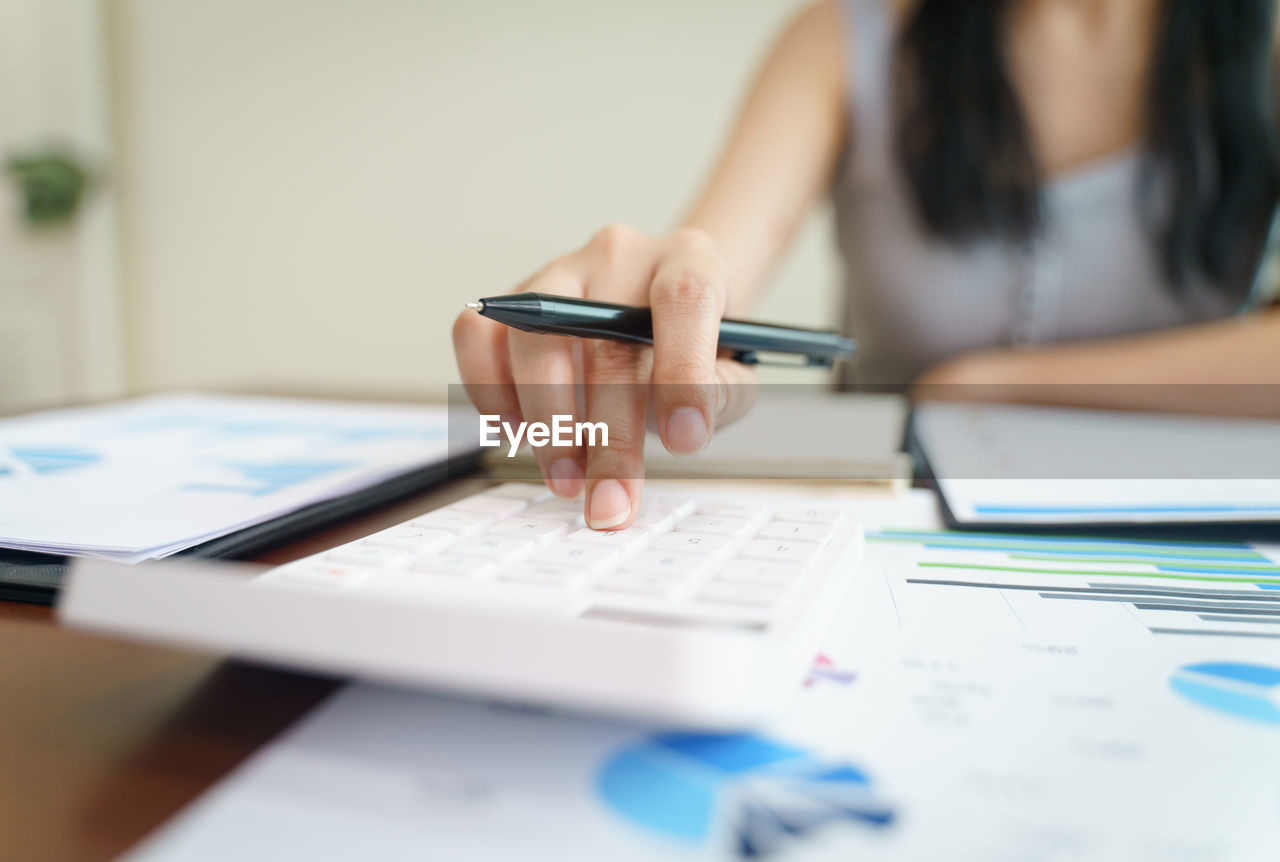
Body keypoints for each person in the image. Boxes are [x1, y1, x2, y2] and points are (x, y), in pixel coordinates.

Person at [453, 0, 1280, 530]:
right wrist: (669, 314)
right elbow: (711, 271)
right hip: (880, 519)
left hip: (1186, 519)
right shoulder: (846, 36)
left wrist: (989, 384)